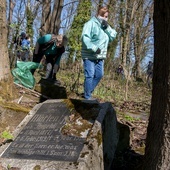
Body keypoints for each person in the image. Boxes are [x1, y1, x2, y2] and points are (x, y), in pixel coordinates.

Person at [81, 6, 117, 100]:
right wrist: (94, 48)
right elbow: (85, 37)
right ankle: (87, 97)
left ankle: (87, 91)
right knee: (90, 75)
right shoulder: (90, 24)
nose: (105, 18)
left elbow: (113, 36)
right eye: (103, 16)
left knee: (99, 75)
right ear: (98, 15)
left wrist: (107, 28)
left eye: (106, 16)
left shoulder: (105, 26)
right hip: (89, 55)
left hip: (100, 56)